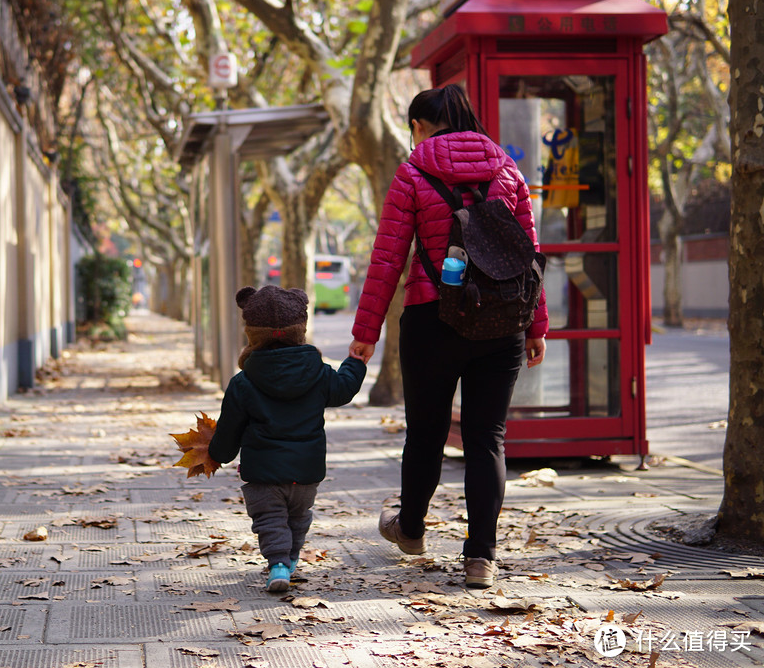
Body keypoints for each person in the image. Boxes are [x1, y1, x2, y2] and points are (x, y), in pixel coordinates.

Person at [348, 84, 548, 590]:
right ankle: (481, 557)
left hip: (431, 316)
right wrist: (535, 325)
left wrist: (365, 333)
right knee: (487, 440)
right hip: (500, 321)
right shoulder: (507, 169)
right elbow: (528, 252)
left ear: (420, 125)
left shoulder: (414, 170)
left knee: (426, 432)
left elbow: (389, 256)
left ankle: (411, 530)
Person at [208, 285, 366, 592]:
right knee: (298, 516)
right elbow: (344, 388)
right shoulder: (318, 373)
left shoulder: (243, 382)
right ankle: (290, 559)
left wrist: (218, 453)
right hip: (306, 472)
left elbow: (229, 430)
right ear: (300, 329)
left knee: (269, 520)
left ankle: (278, 563)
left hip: (263, 474)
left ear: (252, 332)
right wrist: (355, 362)